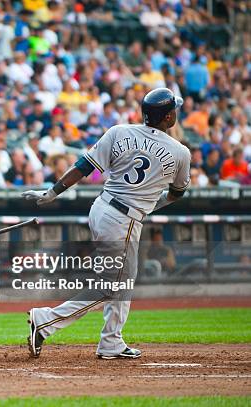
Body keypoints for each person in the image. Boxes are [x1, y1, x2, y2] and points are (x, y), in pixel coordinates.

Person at [23, 88, 191, 359]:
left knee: (124, 278)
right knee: (114, 285)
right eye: (175, 111)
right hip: (124, 220)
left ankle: (112, 341)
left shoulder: (118, 131)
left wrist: (52, 192)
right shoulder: (180, 152)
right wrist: (151, 204)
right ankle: (45, 321)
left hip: (102, 208)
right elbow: (177, 193)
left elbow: (83, 165)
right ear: (169, 117)